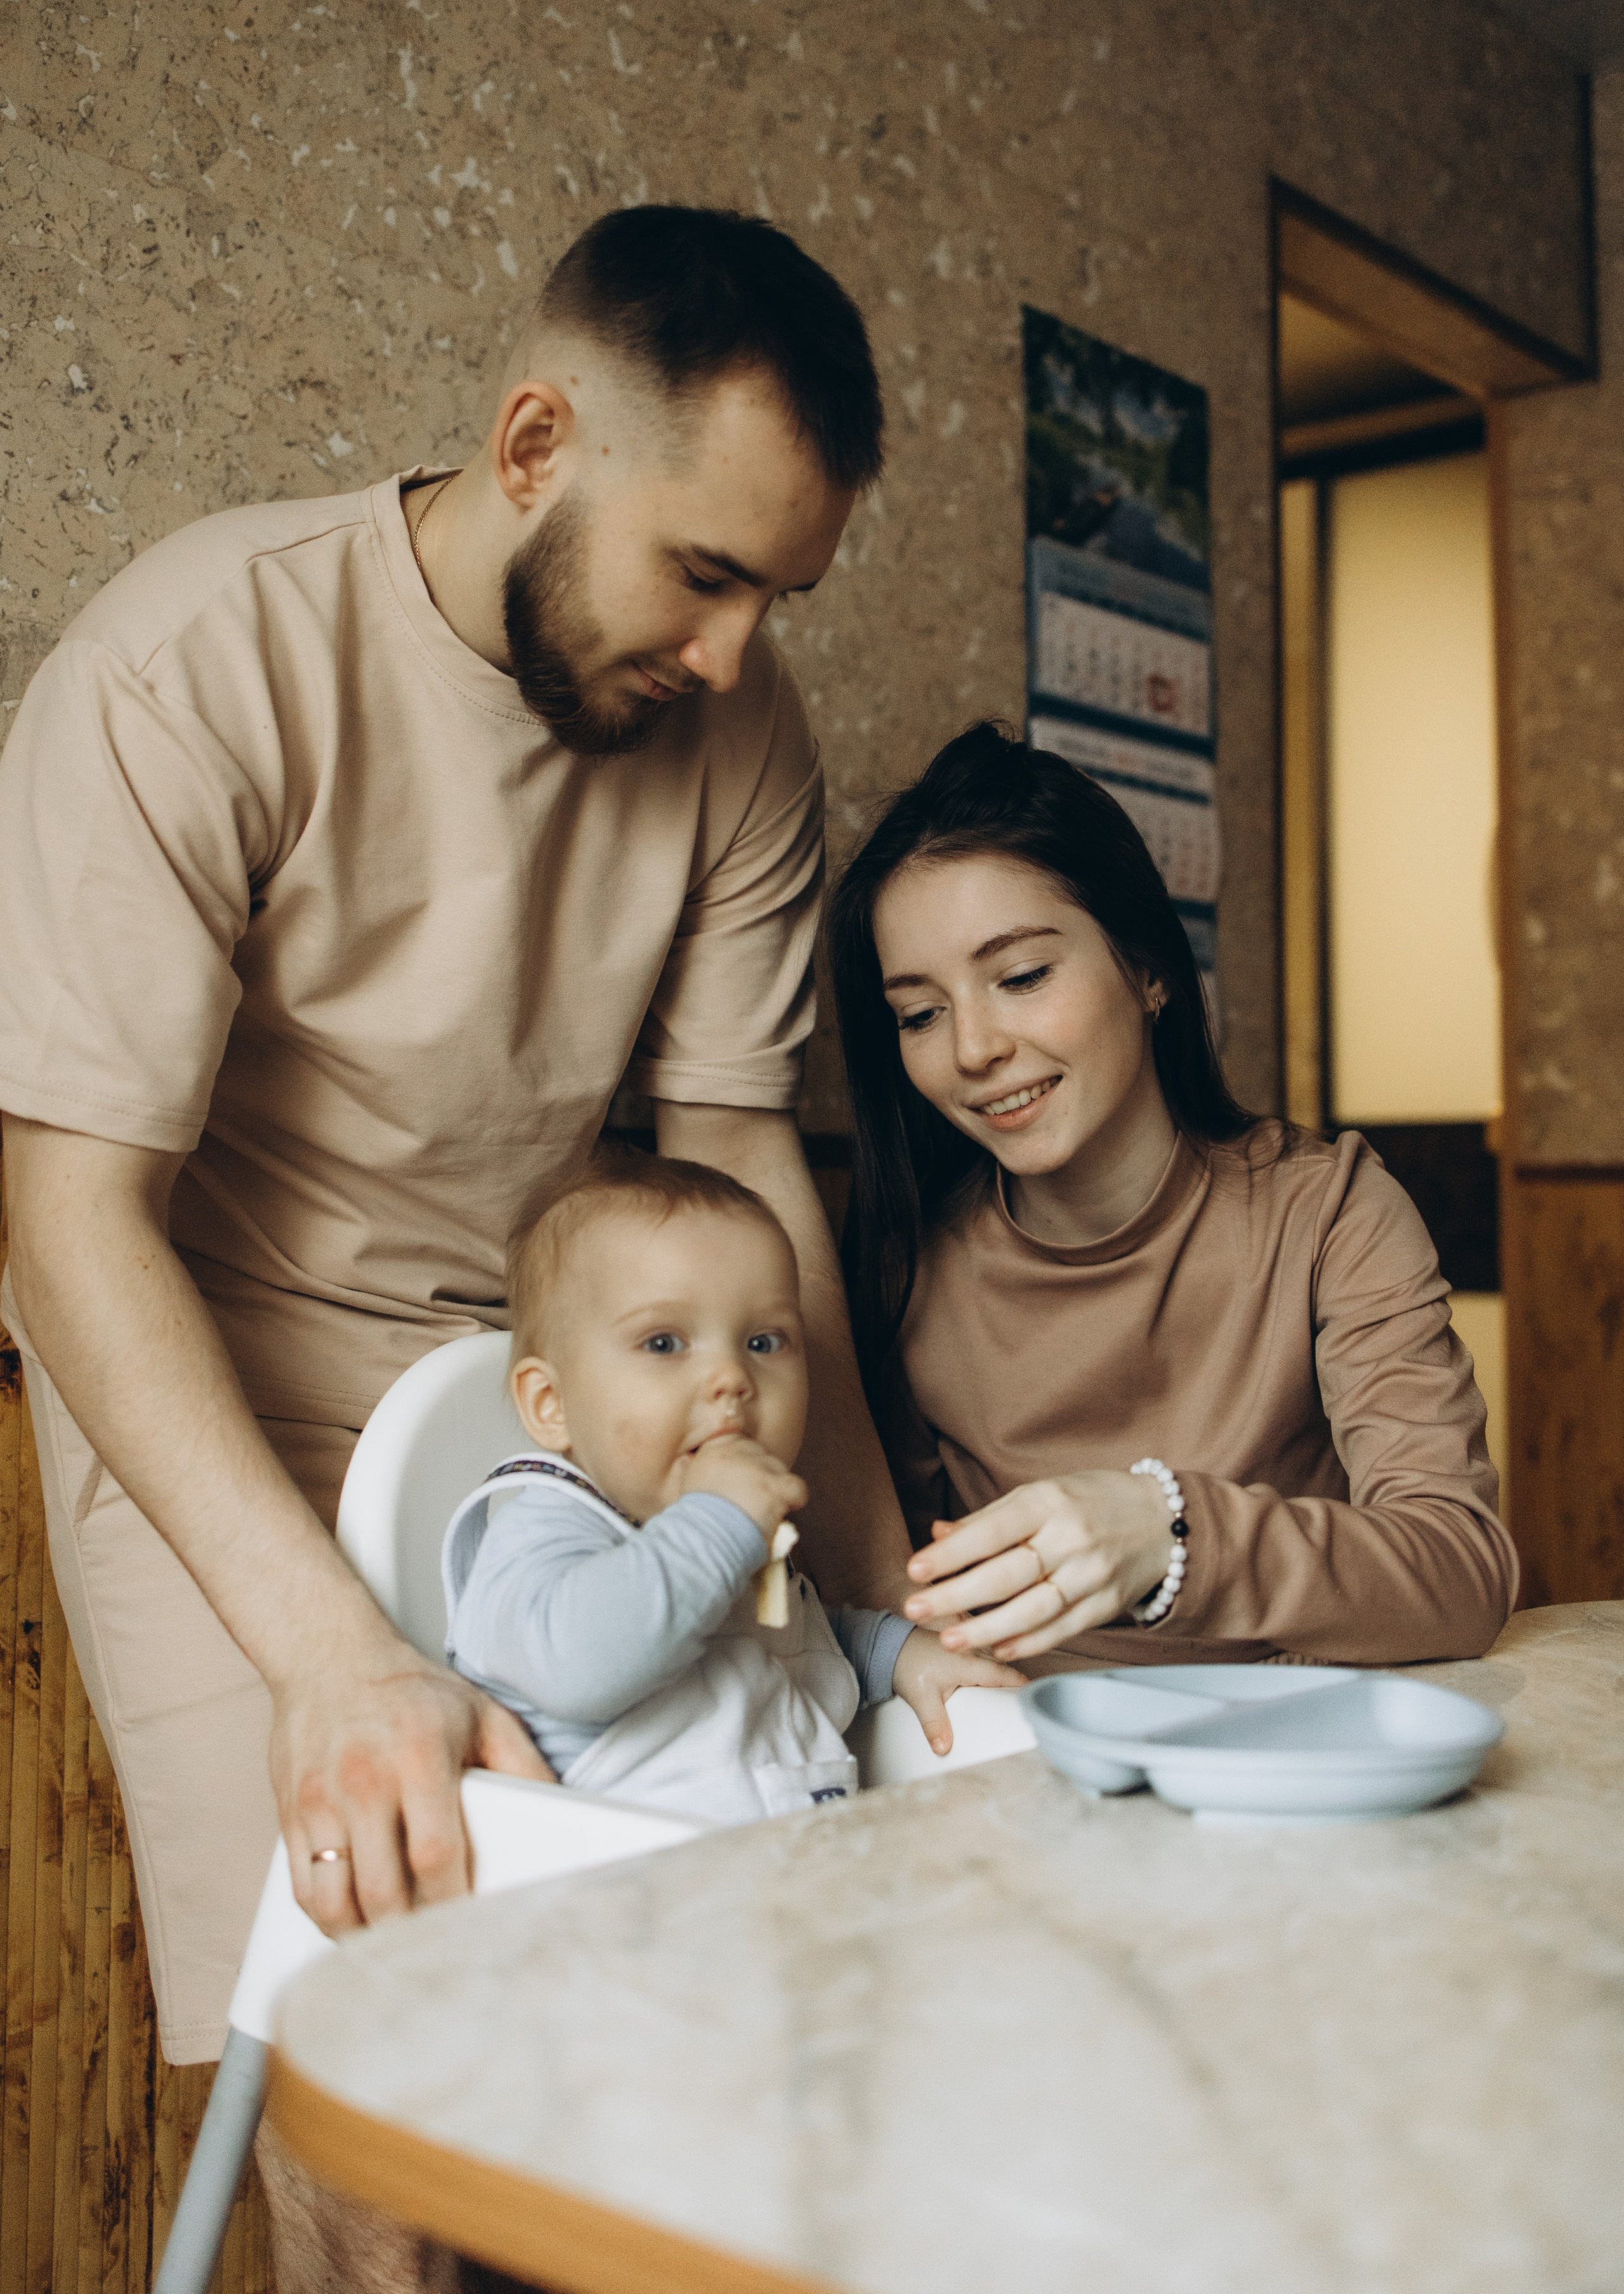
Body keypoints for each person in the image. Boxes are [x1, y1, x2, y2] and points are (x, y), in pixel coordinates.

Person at [0, 207, 920, 2107]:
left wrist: (889, 1610)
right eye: (703, 574)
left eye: (778, 601)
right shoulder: (190, 662)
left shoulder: (739, 732)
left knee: (637, 1988)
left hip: (555, 1391)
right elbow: (70, 1206)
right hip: (218, 1369)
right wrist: (337, 1659)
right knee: (369, 2034)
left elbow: (743, 1161)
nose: (737, 655)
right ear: (531, 449)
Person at [828, 721, 1518, 1670]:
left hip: (1299, 1761)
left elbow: (1460, 1574)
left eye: (1022, 976)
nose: (972, 1048)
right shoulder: (908, 1268)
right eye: (920, 1013)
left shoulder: (1326, 1214)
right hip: (1030, 1772)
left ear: (1149, 971)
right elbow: (895, 1604)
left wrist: (1170, 1533)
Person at [442, 1151, 1014, 1820]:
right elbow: (578, 1668)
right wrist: (716, 1522)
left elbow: (795, 1643)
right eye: (663, 1344)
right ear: (552, 1405)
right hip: (614, 1905)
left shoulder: (738, 1539)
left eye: (764, 1342)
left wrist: (893, 1655)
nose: (731, 1378)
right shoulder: (546, 1533)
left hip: (775, 1891)